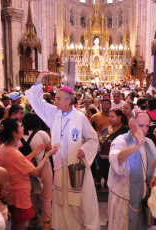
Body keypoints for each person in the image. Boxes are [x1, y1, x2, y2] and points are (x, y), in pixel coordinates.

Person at [25, 71, 100, 230]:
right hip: (59, 168)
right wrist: (40, 78)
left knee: (78, 202)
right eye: (55, 98)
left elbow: (93, 139)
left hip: (76, 168)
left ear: (69, 101)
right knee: (61, 202)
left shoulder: (80, 118)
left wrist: (84, 150)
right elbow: (35, 101)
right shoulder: (53, 114)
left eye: (58, 98)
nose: (55, 100)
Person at [0, 117, 58, 230]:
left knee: (16, 223)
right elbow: (35, 172)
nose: (22, 127)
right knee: (19, 226)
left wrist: (34, 153)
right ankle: (47, 222)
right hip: (20, 195)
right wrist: (47, 155)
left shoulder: (3, 148)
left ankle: (35, 220)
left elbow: (19, 162)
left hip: (13, 193)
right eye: (20, 126)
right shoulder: (14, 152)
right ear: (14, 133)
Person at [107, 112, 156, 230]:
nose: (145, 130)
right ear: (132, 125)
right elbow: (117, 158)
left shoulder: (149, 143)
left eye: (147, 126)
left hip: (142, 199)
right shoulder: (121, 140)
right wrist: (136, 145)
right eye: (141, 125)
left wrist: (155, 176)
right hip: (123, 198)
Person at [22, 112, 53, 229]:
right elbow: (50, 149)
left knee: (32, 195)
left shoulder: (20, 135)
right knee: (46, 197)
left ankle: (33, 219)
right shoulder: (41, 133)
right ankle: (47, 223)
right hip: (43, 166)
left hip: (27, 168)